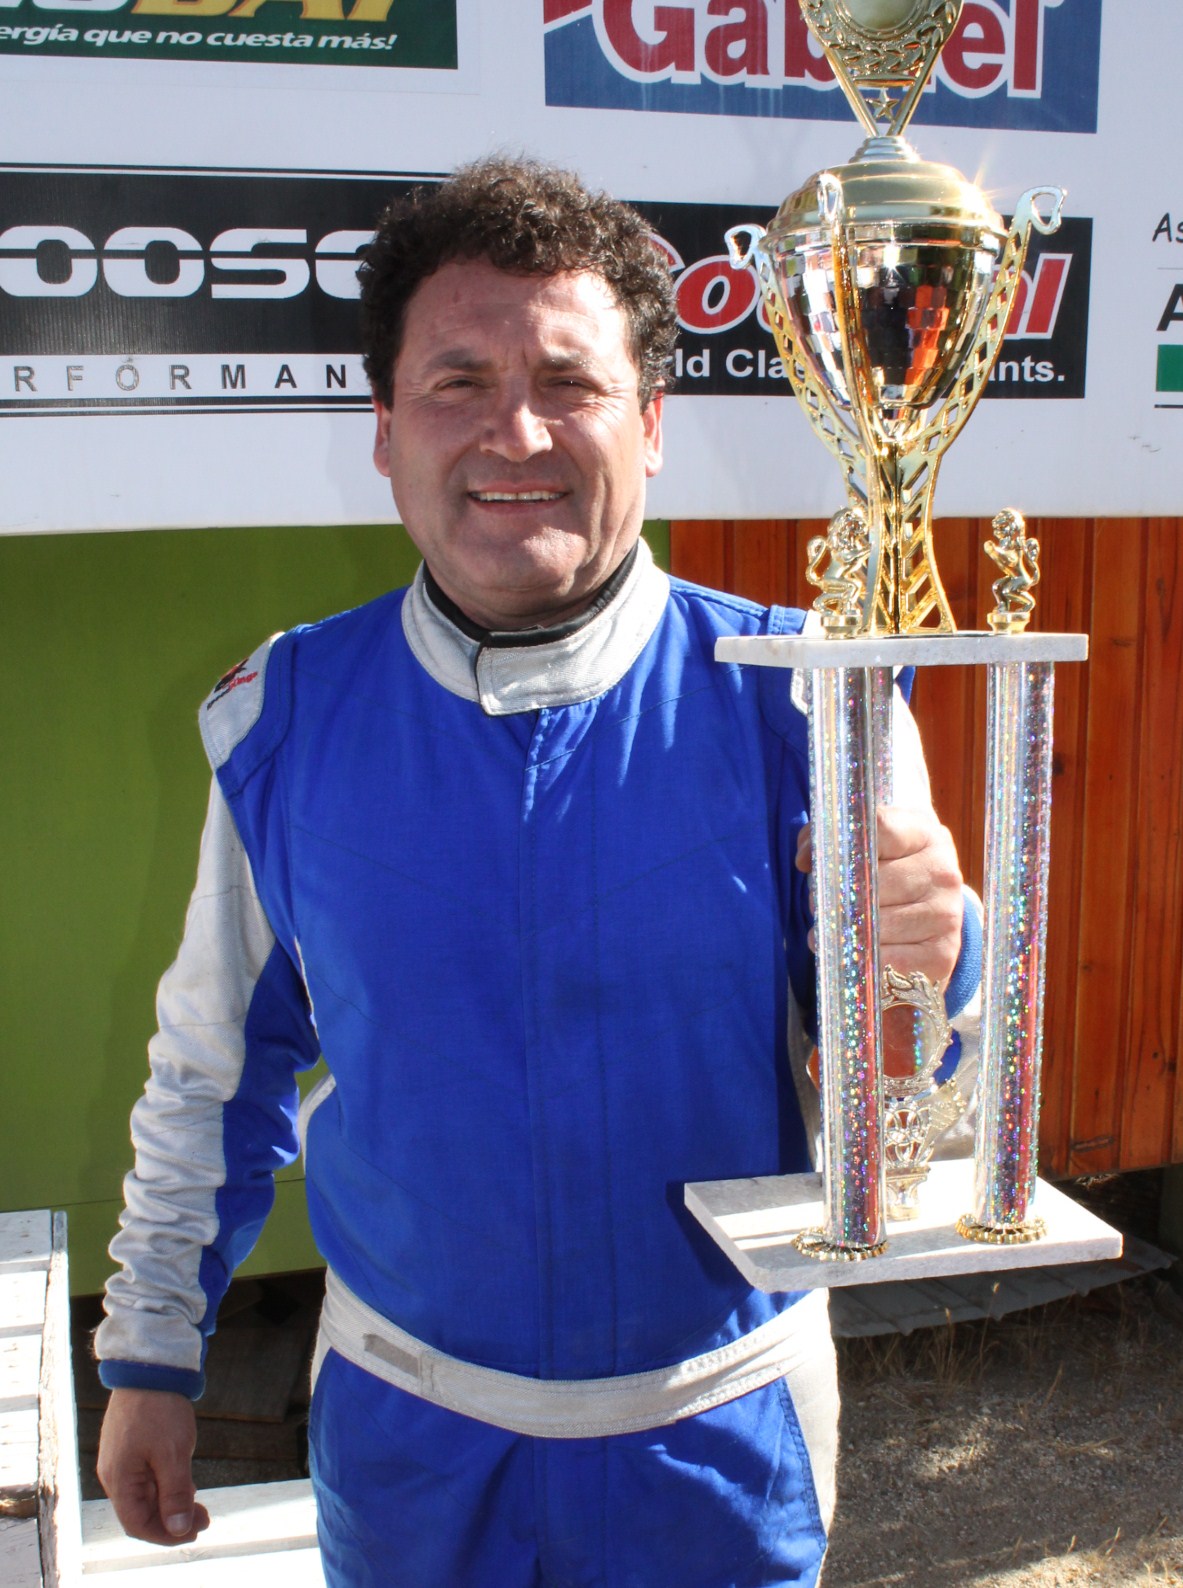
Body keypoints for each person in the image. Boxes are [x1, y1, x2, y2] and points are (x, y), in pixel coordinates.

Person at [95, 157, 979, 1587]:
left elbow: (928, 1102)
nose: (515, 430)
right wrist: (150, 1351)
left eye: (569, 382)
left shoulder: (811, 700)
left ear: (653, 423)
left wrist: (945, 969)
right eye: (458, 383)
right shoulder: (288, 720)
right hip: (409, 1440)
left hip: (721, 1441)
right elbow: (211, 1071)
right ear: (385, 431)